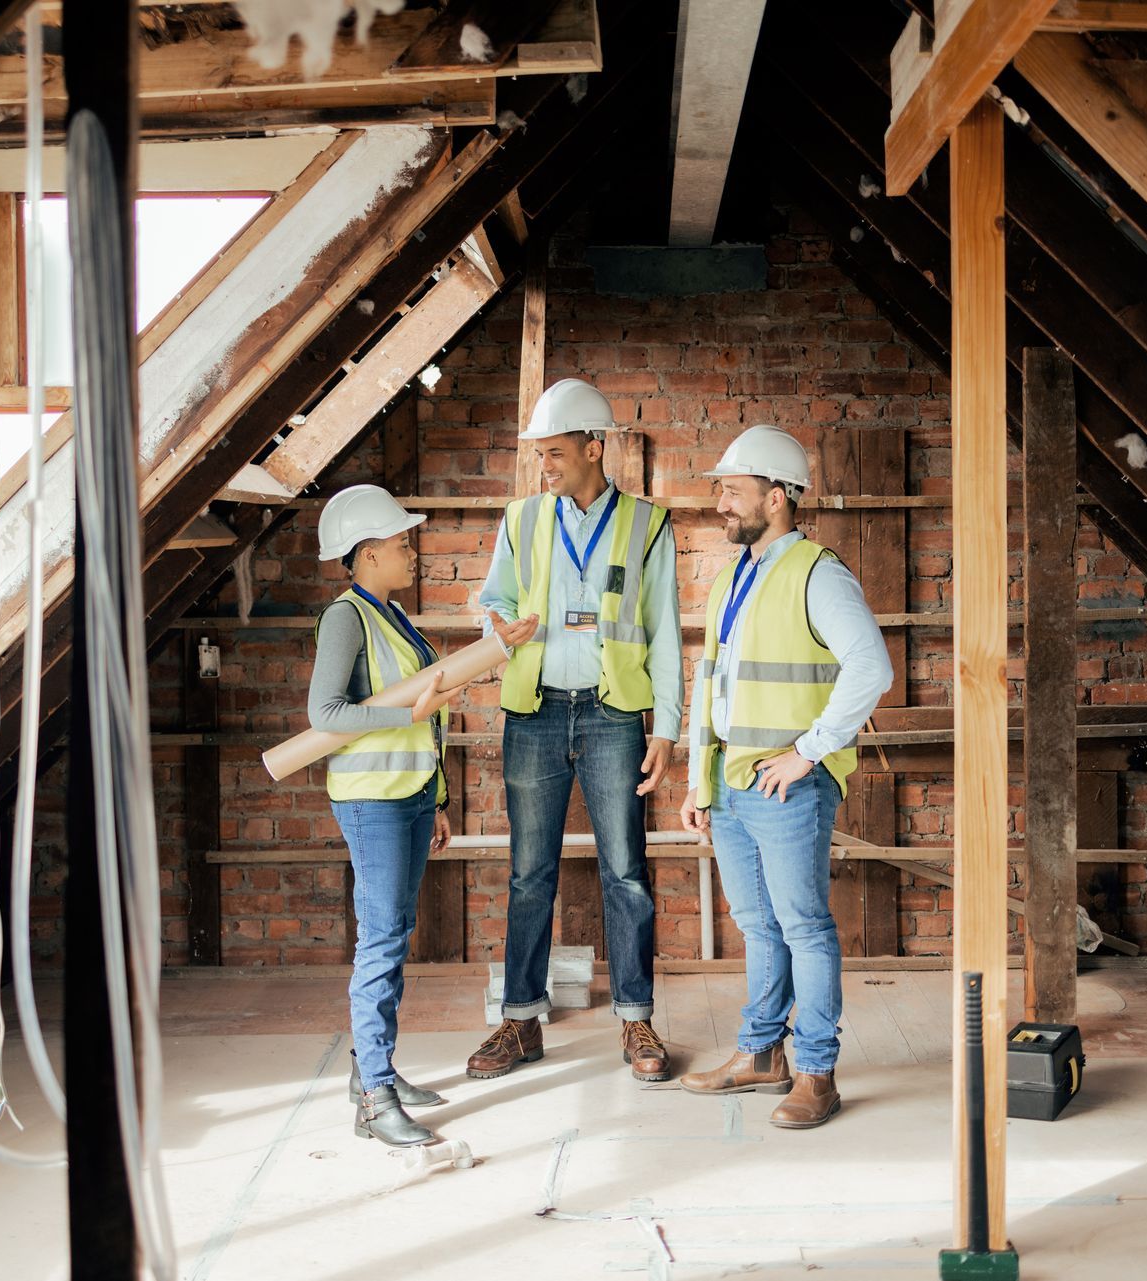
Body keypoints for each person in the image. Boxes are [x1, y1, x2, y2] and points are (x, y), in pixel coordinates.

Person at [676, 425, 894, 1129]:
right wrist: (695, 781)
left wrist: (810, 749)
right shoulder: (733, 578)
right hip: (735, 784)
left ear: (776, 497)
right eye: (719, 491)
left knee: (802, 925)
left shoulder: (818, 572)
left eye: (732, 491)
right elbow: (710, 685)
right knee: (759, 925)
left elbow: (872, 667)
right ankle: (761, 1052)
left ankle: (816, 1071)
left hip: (789, 785)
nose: (720, 503)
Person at [468, 378, 684, 1083]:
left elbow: (666, 633)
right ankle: (520, 1020)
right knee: (530, 874)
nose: (545, 467)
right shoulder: (522, 518)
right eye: (540, 456)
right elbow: (492, 597)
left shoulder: (649, 525)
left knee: (626, 871)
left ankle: (636, 1017)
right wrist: (496, 623)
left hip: (614, 712)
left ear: (596, 449)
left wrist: (669, 728)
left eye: (555, 453)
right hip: (533, 711)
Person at [309, 484, 536, 1145]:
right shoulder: (346, 618)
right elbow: (324, 715)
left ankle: (371, 1071)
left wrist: (435, 798)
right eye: (402, 543)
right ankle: (375, 1097)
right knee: (380, 941)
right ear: (371, 552)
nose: (412, 550)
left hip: (407, 797)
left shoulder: (394, 614)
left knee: (395, 931)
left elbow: (428, 714)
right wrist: (399, 715)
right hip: (372, 800)